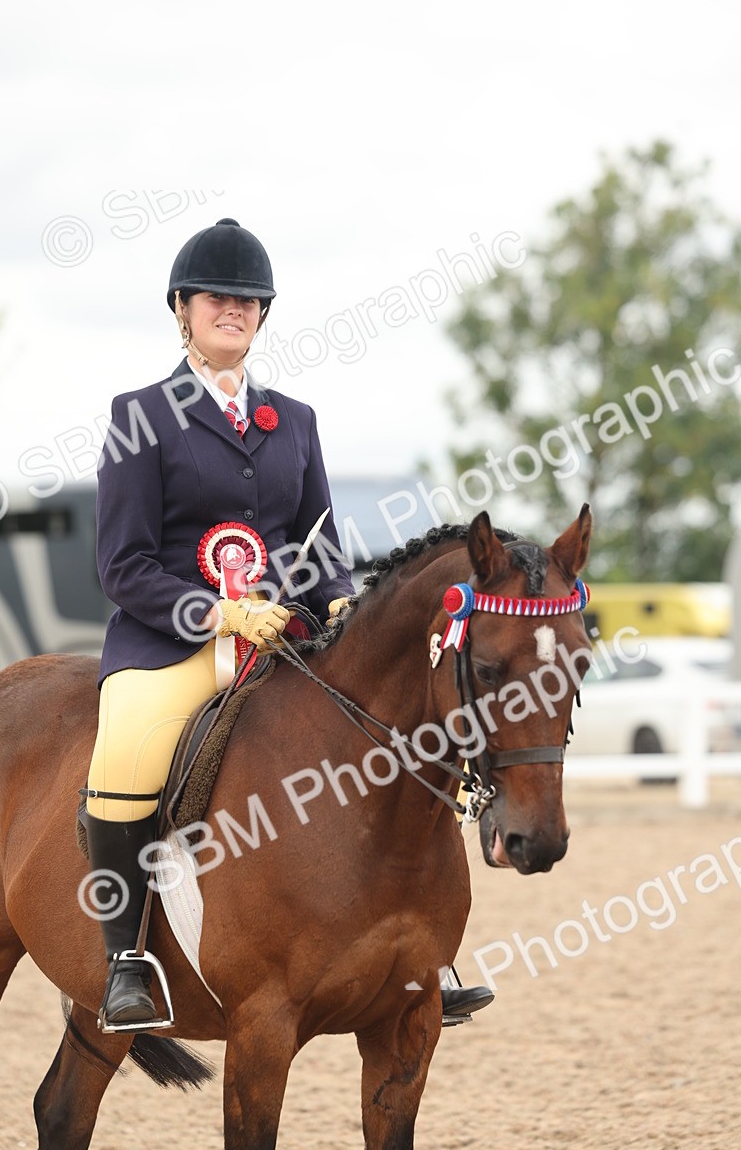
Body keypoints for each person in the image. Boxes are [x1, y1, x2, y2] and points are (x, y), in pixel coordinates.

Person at [84, 218, 490, 1030]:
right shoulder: (140, 417)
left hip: (286, 636)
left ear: (262, 315)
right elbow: (121, 565)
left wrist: (340, 600)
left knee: (395, 732)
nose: (232, 311)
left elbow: (320, 544)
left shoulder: (293, 420)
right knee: (128, 747)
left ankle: (418, 950)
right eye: (216, 299)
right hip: (172, 640)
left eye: (248, 301)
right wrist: (216, 610)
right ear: (181, 310)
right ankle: (127, 959)